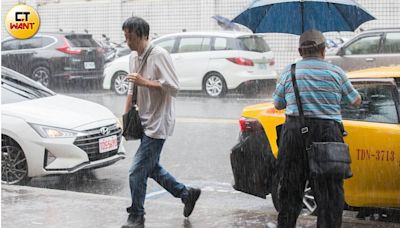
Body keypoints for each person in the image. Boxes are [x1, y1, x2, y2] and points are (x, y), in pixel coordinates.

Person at [272, 29, 361, 228]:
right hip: (328, 135)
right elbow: (355, 101)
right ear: (323, 50)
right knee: (329, 194)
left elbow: (278, 104)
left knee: (290, 190)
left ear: (299, 50)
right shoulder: (336, 72)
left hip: (294, 134)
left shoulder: (290, 71)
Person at [121, 16, 201, 228]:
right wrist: (125, 117)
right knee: (151, 168)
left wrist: (144, 82)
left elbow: (174, 87)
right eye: (125, 37)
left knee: (137, 171)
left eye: (130, 37)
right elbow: (132, 88)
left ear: (143, 35)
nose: (127, 42)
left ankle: (137, 215)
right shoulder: (132, 58)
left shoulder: (159, 55)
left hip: (158, 122)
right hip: (143, 121)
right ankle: (186, 193)